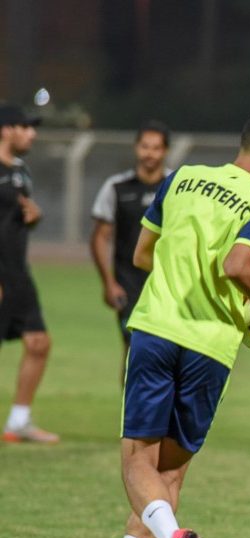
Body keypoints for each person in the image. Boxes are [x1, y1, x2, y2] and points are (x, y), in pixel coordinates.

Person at [92, 112, 250, 538]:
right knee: (169, 472)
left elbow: (143, 255)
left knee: (139, 462)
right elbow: (236, 265)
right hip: (211, 348)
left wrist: (184, 271)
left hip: (158, 330)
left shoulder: (180, 179)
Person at [89, 120, 172, 363]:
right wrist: (109, 283)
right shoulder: (116, 187)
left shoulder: (177, 186)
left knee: (166, 352)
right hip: (129, 284)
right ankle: (130, 391)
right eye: (145, 146)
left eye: (156, 148)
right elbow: (100, 237)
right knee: (134, 350)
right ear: (136, 148)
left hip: (168, 282)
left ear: (165, 151)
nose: (150, 153)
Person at [0, 102, 58, 444]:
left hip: (18, 272)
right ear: (6, 129)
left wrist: (34, 216)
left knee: (38, 343)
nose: (32, 134)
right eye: (25, 127)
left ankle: (18, 422)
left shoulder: (22, 171)